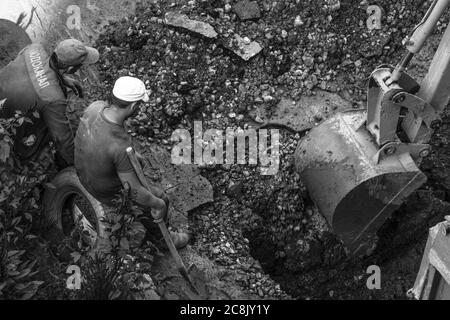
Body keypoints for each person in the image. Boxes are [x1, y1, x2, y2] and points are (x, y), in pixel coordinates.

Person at [74, 76, 190, 249]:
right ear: (134, 106)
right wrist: (158, 205)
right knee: (161, 198)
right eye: (139, 105)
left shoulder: (95, 107)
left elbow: (100, 139)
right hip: (103, 191)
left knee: (138, 168)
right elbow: (135, 193)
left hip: (82, 171)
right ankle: (162, 239)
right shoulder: (119, 145)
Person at [0, 38, 99, 167]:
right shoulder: (53, 99)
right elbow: (62, 139)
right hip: (6, 125)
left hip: (5, 93)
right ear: (70, 68)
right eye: (80, 65)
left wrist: (61, 78)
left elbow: (37, 73)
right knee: (43, 135)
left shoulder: (34, 48)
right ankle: (23, 162)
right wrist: (77, 165)